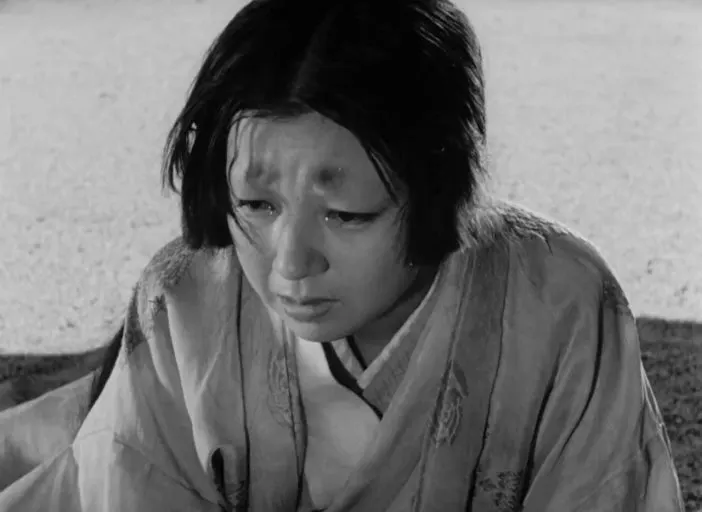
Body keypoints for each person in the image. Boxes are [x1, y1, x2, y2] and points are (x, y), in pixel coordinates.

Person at [0, 0, 685, 510]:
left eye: (347, 214)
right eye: (256, 205)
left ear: (440, 186)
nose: (290, 264)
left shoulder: (563, 303)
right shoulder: (183, 303)